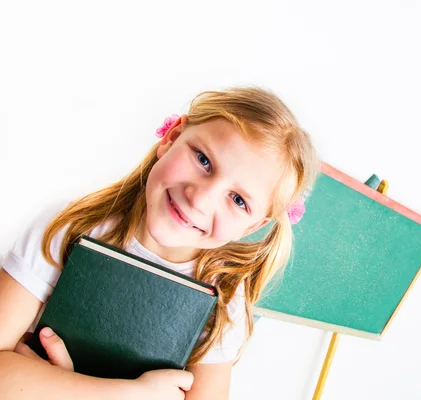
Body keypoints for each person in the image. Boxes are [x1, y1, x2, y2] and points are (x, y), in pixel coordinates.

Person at [0, 86, 320, 400]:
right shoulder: (71, 227)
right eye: (204, 160)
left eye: (238, 200)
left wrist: (51, 387)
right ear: (171, 139)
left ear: (253, 226)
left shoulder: (222, 304)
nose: (200, 199)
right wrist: (127, 394)